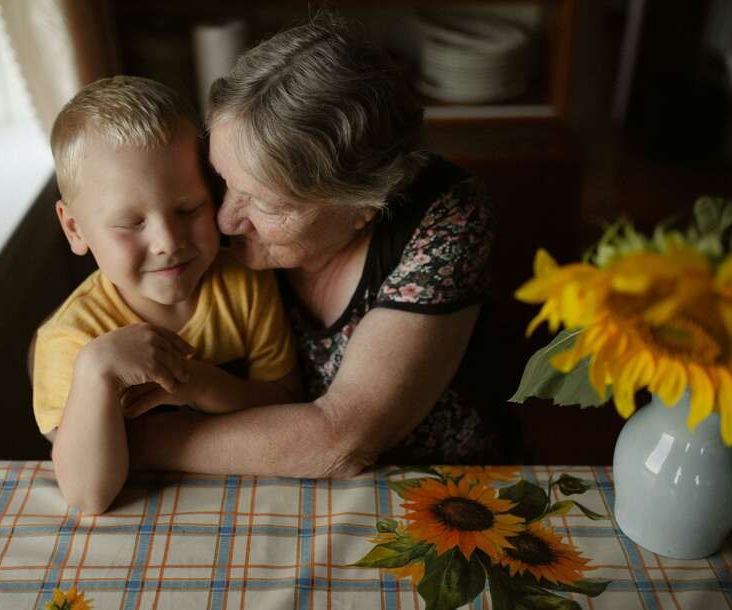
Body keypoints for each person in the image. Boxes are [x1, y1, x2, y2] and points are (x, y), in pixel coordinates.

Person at [120, 16, 516, 477]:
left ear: (364, 206)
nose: (225, 219)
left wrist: (129, 444)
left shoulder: (446, 213)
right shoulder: (207, 204)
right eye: (223, 180)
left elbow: (343, 442)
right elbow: (104, 302)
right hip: (261, 485)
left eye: (267, 204)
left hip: (442, 490)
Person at [32, 76, 299, 514]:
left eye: (187, 209)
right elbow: (87, 496)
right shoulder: (73, 337)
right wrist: (97, 370)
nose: (167, 241)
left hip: (257, 503)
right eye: (130, 223)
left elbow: (287, 401)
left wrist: (198, 384)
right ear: (74, 228)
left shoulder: (247, 284)